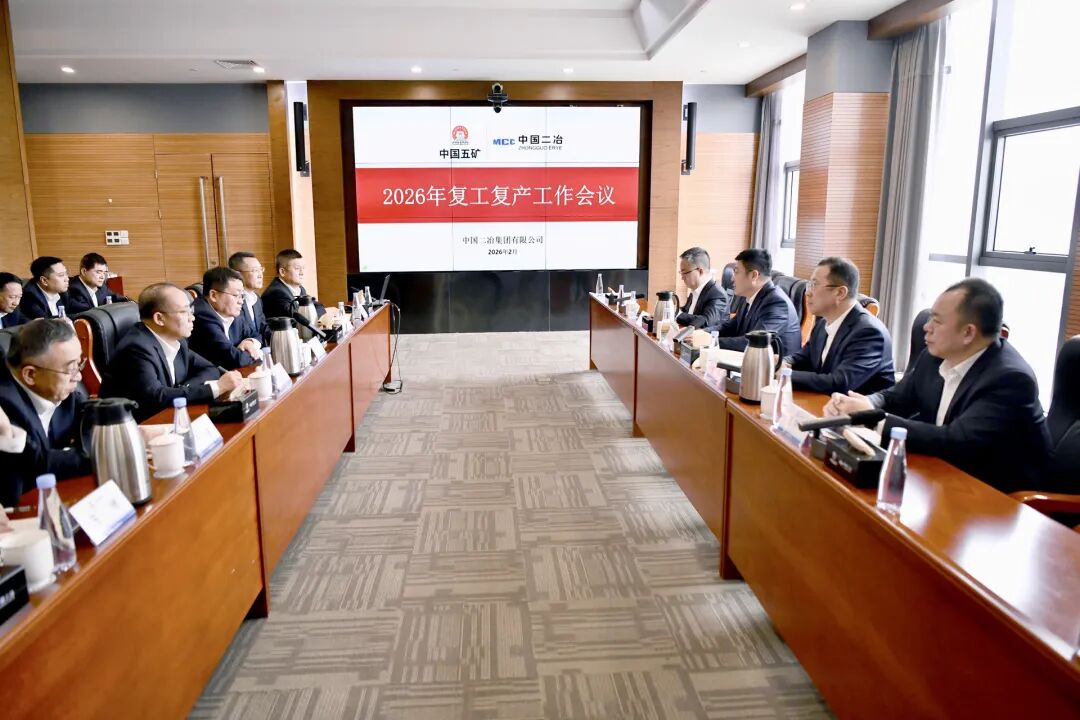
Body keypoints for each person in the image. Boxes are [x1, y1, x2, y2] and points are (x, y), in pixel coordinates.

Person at [825, 278, 1050, 493]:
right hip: (945, 476)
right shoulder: (934, 356)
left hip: (999, 497)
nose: (926, 327)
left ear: (968, 332)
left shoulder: (1010, 380)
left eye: (937, 321)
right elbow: (898, 397)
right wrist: (865, 403)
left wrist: (873, 419)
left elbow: (956, 440)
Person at [100, 283, 243, 422]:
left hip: (167, 416)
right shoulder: (136, 348)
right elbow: (156, 398)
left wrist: (182, 389)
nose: (192, 318)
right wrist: (217, 387)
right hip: (134, 426)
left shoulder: (177, 340)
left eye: (191, 311)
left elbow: (209, 369)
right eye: (184, 312)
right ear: (159, 318)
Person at [0, 319, 90, 506]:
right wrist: (100, 451)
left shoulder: (61, 389)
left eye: (79, 365)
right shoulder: (7, 405)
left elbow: (92, 414)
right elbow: (37, 465)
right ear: (30, 375)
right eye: (70, 369)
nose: (79, 376)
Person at [784, 257, 895, 395]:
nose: (807, 292)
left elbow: (840, 383)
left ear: (840, 293)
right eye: (809, 284)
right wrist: (782, 362)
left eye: (814, 285)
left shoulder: (869, 332)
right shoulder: (823, 323)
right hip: (826, 402)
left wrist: (784, 374)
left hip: (855, 407)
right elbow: (804, 357)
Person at [711, 248, 802, 355]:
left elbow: (754, 342)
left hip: (773, 364)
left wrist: (711, 341)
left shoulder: (777, 303)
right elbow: (730, 327)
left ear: (754, 275)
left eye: (736, 272)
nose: (732, 278)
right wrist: (705, 333)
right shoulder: (749, 296)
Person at [190, 267, 263, 369]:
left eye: (242, 296)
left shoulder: (231, 312)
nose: (241, 301)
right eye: (236, 295)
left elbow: (256, 334)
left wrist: (249, 342)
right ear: (213, 295)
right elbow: (235, 360)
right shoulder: (202, 316)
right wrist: (254, 353)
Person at [261, 249, 332, 323]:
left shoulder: (300, 289)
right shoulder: (276, 293)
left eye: (303, 268)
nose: (302, 273)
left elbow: (318, 306)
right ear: (282, 272)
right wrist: (325, 311)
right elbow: (300, 320)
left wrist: (322, 311)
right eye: (297, 268)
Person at [676, 247, 730, 329]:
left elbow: (706, 322)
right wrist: (673, 309)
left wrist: (677, 314)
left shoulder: (718, 295)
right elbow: (688, 312)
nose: (682, 277)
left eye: (684, 272)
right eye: (681, 273)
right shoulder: (695, 289)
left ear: (700, 271)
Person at [64, 252, 130, 314]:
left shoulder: (101, 286)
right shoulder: (74, 289)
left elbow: (116, 297)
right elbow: (90, 313)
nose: (102, 277)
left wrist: (130, 302)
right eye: (98, 272)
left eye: (104, 273)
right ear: (84, 271)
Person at [228, 251, 270, 343]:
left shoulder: (256, 298)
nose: (260, 275)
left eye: (261, 269)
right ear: (237, 274)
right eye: (255, 270)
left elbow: (263, 327)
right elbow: (245, 334)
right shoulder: (232, 301)